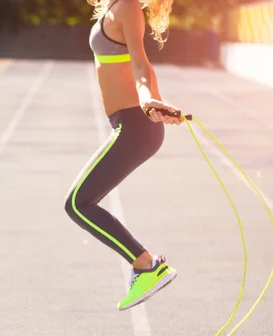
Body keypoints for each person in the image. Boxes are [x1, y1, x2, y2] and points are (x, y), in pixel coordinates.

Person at [64, 0, 184, 311]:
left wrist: (149, 100)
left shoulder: (129, 6)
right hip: (129, 124)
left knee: (78, 204)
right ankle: (145, 265)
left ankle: (147, 265)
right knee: (80, 204)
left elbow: (141, 65)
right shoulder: (116, 4)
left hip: (136, 126)